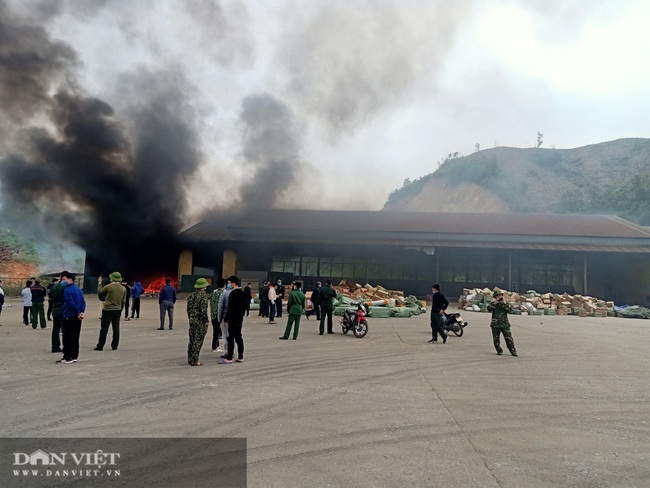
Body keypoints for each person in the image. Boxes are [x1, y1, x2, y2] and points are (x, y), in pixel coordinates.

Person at [57, 271, 85, 364]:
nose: (62, 281)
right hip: (77, 317)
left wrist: (77, 312)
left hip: (69, 315)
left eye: (64, 279)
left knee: (67, 337)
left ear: (70, 279)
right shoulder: (78, 289)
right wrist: (81, 312)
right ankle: (74, 355)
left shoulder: (67, 290)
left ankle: (67, 357)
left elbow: (70, 302)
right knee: (75, 336)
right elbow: (83, 302)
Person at [95, 271, 126, 351]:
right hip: (117, 310)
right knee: (116, 328)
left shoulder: (108, 287)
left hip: (108, 309)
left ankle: (100, 346)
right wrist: (120, 309)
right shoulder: (123, 288)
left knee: (104, 328)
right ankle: (114, 345)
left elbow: (100, 294)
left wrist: (99, 283)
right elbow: (124, 301)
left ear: (112, 278)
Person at [218, 275, 246, 364]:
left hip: (232, 319)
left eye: (229, 283)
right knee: (239, 337)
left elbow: (230, 308)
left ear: (233, 283)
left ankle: (229, 358)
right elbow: (244, 306)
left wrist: (226, 318)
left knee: (230, 338)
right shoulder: (242, 293)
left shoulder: (232, 294)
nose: (228, 285)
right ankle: (240, 357)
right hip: (239, 318)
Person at [487, 290, 518, 357]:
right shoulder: (493, 303)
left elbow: (510, 310)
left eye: (500, 296)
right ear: (495, 297)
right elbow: (489, 309)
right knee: (496, 340)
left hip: (504, 324)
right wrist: (495, 302)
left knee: (509, 339)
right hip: (495, 324)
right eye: (497, 296)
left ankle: (513, 351)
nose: (499, 297)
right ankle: (499, 350)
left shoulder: (505, 304)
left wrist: (504, 303)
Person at [186, 277, 209, 366]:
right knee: (198, 340)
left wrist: (191, 317)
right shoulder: (203, 296)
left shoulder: (191, 295)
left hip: (192, 320)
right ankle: (195, 360)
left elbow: (188, 309)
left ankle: (190, 358)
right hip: (200, 321)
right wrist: (206, 321)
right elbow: (203, 310)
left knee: (192, 339)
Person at [48, 274, 66, 353]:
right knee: (65, 329)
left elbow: (50, 297)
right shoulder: (65, 287)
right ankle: (66, 346)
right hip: (63, 309)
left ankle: (55, 346)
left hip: (55, 309)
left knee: (55, 329)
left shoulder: (53, 287)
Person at [209, 278, 226, 352]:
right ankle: (214, 347)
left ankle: (217, 345)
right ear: (224, 285)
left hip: (213, 315)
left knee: (216, 331)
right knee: (218, 333)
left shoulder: (214, 292)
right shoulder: (223, 293)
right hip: (220, 316)